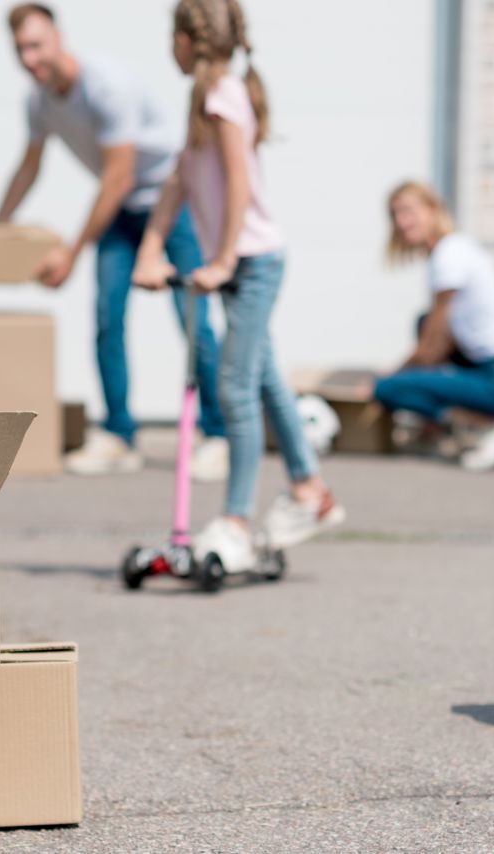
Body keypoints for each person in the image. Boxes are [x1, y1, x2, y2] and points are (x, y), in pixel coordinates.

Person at [132, 0, 344, 571]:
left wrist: (223, 258)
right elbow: (178, 180)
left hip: (253, 262)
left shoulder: (225, 97)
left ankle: (235, 519)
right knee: (268, 379)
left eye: (170, 37)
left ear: (187, 41)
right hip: (240, 264)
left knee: (233, 386)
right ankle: (309, 493)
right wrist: (151, 251)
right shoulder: (204, 99)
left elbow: (240, 182)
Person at [0, 3, 228, 479]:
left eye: (36, 45)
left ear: (58, 36)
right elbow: (30, 164)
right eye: (20, 50)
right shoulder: (39, 99)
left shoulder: (107, 86)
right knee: (107, 317)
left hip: (171, 198)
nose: (30, 58)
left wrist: (71, 253)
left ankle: (218, 433)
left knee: (193, 319)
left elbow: (117, 178)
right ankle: (120, 436)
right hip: (122, 212)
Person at [374, 181, 494, 471]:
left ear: (433, 209)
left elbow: (431, 348)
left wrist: (385, 379)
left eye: (408, 211)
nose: (401, 222)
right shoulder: (457, 250)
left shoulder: (449, 255)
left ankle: (488, 424)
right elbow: (435, 333)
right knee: (423, 321)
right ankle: (459, 427)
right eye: (395, 215)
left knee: (388, 390)